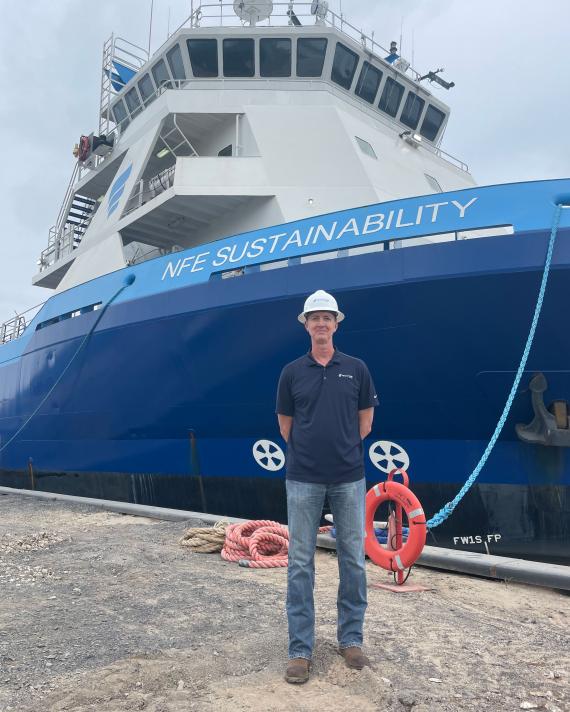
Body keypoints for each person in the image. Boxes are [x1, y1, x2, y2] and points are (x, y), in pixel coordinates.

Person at [276, 289, 379, 684]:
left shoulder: (356, 368)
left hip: (349, 477)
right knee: (300, 563)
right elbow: (286, 425)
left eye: (327, 318)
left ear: (336, 324)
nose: (321, 323)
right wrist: (310, 451)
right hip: (303, 477)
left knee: (353, 558)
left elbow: (365, 422)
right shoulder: (291, 373)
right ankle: (299, 649)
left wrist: (340, 450)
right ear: (306, 325)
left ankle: (351, 639)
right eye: (314, 318)